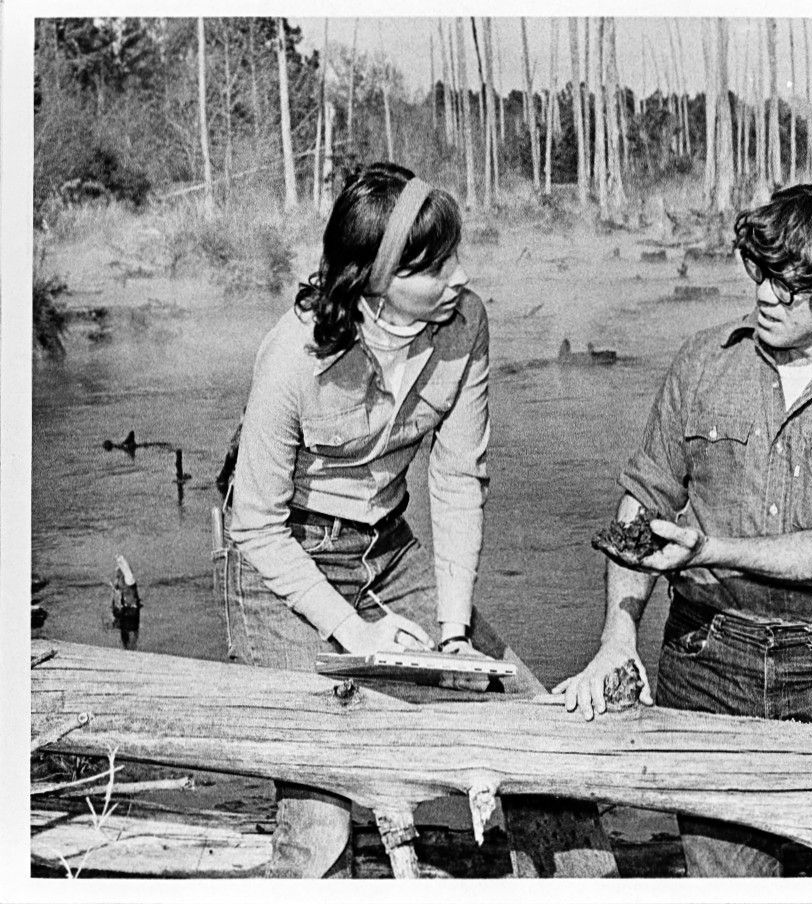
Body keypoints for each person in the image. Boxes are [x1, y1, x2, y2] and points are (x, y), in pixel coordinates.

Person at [554, 181, 812, 877]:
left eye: (791, 284)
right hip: (708, 663)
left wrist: (710, 549)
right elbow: (642, 505)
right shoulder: (704, 361)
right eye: (761, 273)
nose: (765, 294)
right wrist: (618, 638)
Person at [218, 162, 492, 877]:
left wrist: (455, 635)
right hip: (286, 554)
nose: (459, 277)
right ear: (374, 278)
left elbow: (458, 478)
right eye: (434, 268)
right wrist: (356, 632)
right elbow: (255, 526)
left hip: (389, 549)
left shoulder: (465, 325)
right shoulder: (293, 354)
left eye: (457, 257)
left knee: (510, 709)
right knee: (322, 799)